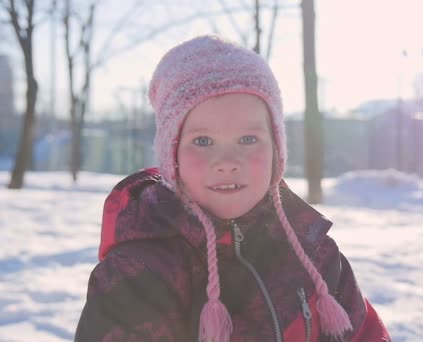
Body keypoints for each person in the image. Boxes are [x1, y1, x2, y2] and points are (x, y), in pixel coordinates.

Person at [75, 34, 390, 342]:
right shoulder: (141, 272)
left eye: (248, 139)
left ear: (276, 150)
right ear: (172, 155)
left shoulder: (315, 254)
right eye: (203, 141)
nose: (226, 161)